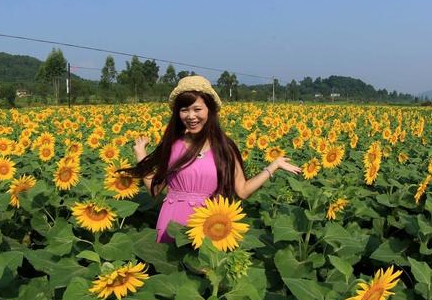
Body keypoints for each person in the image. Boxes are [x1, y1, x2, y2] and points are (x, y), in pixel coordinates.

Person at [121, 75, 302, 243]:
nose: (191, 116)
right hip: (172, 225)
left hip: (212, 227)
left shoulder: (225, 148)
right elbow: (155, 190)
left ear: (210, 110)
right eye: (184, 110)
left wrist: (273, 166)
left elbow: (243, 191)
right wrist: (141, 156)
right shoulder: (173, 145)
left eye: (197, 109)